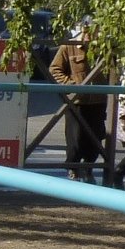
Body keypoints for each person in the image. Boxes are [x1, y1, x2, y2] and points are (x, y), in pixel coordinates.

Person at [49, 24, 108, 182]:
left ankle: (88, 168)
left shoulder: (104, 48)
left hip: (98, 101)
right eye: (89, 31)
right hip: (77, 102)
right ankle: (73, 169)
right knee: (76, 139)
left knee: (96, 137)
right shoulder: (69, 47)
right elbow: (55, 69)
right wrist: (70, 85)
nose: (92, 35)